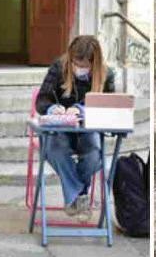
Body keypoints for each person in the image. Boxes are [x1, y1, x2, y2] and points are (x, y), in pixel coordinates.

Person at [35, 35, 115, 219]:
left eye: (84, 65)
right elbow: (41, 100)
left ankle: (73, 196)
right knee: (55, 150)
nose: (78, 68)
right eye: (75, 63)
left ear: (93, 64)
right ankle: (80, 195)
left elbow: (110, 108)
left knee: (95, 155)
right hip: (61, 129)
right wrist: (52, 108)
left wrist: (82, 110)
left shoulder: (106, 74)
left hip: (88, 130)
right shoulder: (58, 67)